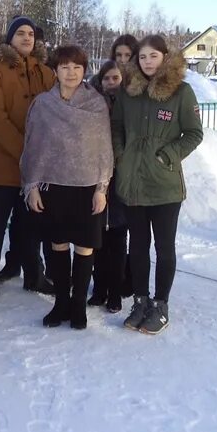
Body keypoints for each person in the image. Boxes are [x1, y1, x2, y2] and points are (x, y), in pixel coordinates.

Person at [113, 35, 203, 335]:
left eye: (153, 56)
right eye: (142, 57)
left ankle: (161, 305)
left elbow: (193, 133)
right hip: (133, 182)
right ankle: (140, 301)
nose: (147, 62)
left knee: (164, 248)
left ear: (165, 57)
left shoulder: (182, 92)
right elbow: (116, 127)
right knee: (138, 247)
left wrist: (168, 155)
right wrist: (121, 153)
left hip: (164, 185)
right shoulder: (129, 92)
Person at [22, 46, 114, 330]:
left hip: (87, 186)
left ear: (84, 70)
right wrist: (31, 185)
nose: (71, 72)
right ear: (56, 70)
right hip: (53, 185)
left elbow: (104, 149)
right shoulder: (43, 104)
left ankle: (78, 306)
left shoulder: (96, 104)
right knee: (58, 244)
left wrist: (102, 188)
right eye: (64, 67)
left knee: (85, 247)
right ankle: (61, 302)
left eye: (76, 67)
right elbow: (33, 146)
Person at [0, 16, 57, 305]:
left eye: (31, 34)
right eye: (20, 33)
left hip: (36, 168)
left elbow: (59, 110)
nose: (27, 38)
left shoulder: (46, 73)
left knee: (31, 225)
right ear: (10, 38)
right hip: (3, 165)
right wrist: (26, 153)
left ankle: (34, 275)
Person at [89, 60, 131, 313]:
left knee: (117, 237)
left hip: (121, 176)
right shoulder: (93, 104)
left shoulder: (129, 104)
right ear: (100, 81)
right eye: (107, 79)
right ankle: (99, 288)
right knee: (96, 238)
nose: (111, 83)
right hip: (96, 175)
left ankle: (115, 291)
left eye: (116, 78)